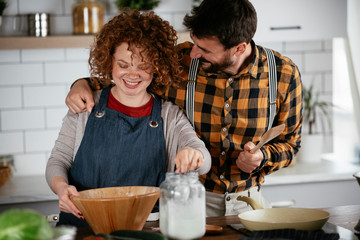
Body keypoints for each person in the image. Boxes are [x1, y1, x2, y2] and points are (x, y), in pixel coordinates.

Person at [65, 0, 303, 217]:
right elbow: (128, 80)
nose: (194, 52)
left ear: (239, 48)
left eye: (205, 50)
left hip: (249, 203)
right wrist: (81, 84)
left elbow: (291, 143)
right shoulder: (180, 62)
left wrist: (263, 158)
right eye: (194, 40)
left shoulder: (282, 75)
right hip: (188, 200)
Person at [45, 9, 211, 227]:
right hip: (84, 225)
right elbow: (59, 160)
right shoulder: (86, 105)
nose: (133, 75)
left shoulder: (168, 115)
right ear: (109, 61)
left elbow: (204, 161)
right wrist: (61, 188)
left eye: (143, 67)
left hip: (145, 229)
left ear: (157, 67)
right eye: (123, 65)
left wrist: (194, 154)